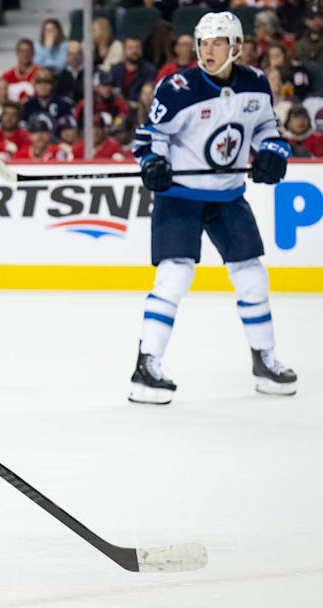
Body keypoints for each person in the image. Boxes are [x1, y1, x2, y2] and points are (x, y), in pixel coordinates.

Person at [129, 11, 296, 405]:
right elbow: (150, 137)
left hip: (228, 195)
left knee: (253, 276)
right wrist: (152, 162)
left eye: (216, 42)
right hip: (181, 196)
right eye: (202, 43)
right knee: (173, 278)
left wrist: (273, 151)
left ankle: (263, 361)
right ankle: (146, 366)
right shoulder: (177, 87)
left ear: (235, 46)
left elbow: (267, 130)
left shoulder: (255, 84)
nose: (207, 50)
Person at [110, 37, 156, 103]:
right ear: (124, 50)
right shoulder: (115, 69)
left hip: (140, 108)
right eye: (130, 48)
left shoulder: (149, 70)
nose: (134, 51)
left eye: (137, 48)